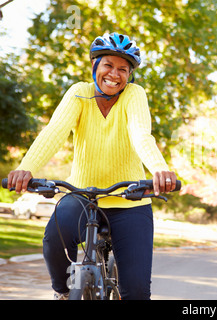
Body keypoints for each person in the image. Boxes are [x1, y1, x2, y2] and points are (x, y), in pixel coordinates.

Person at [7, 32, 177, 300]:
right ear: (95, 66)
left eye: (123, 69)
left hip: (129, 201)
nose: (115, 74)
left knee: (136, 292)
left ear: (130, 75)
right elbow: (54, 131)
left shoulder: (134, 95)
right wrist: (26, 168)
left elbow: (140, 134)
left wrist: (159, 168)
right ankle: (63, 293)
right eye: (108, 65)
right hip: (81, 196)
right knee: (53, 240)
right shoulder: (79, 93)